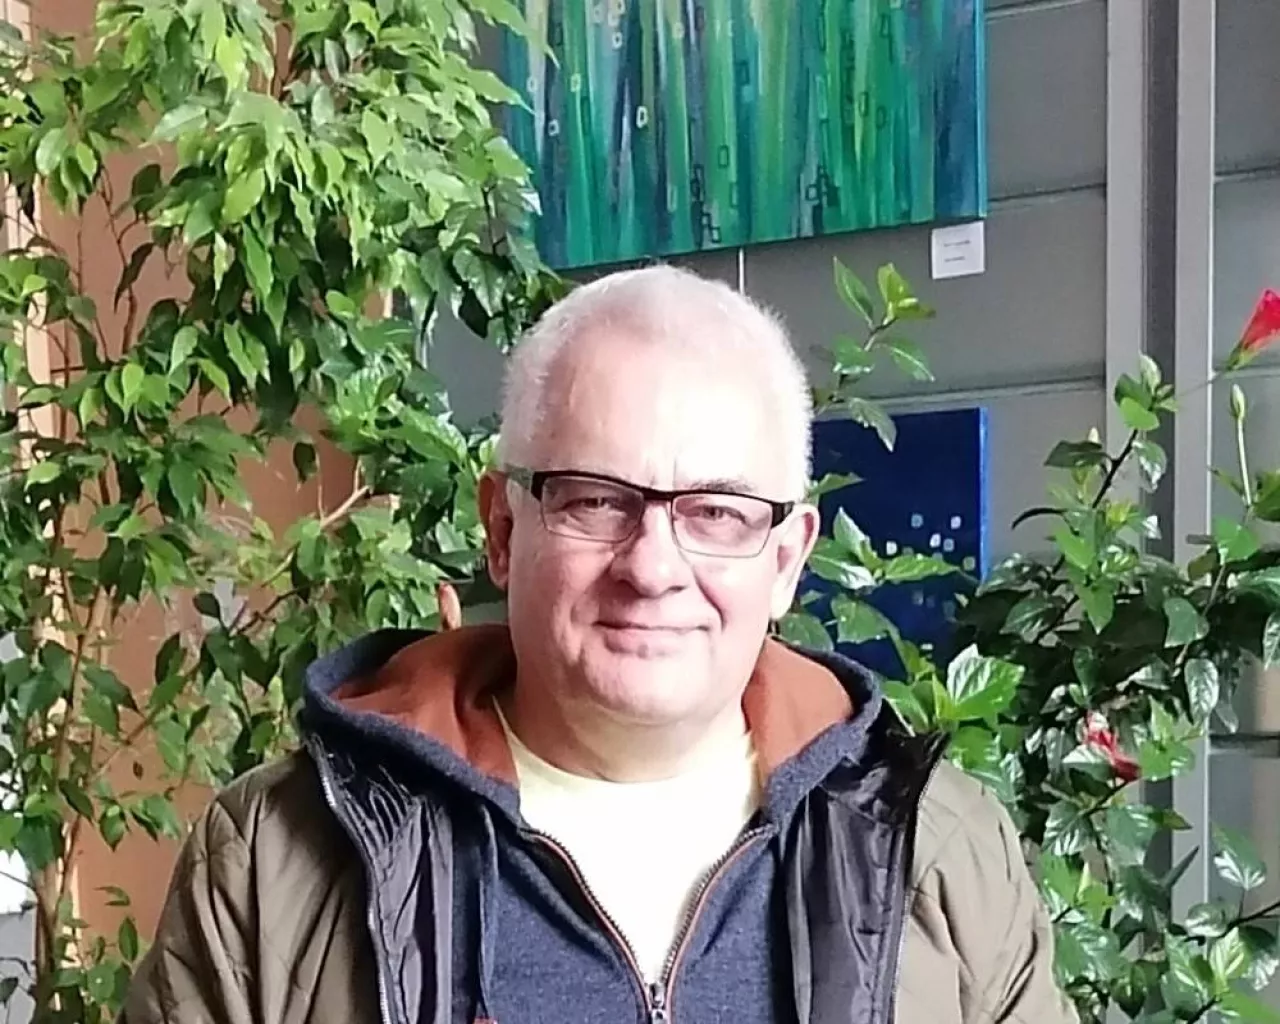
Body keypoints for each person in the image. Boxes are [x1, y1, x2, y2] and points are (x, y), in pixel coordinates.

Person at [121, 265, 1077, 1024]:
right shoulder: (275, 858)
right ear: (503, 528)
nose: (652, 567)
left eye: (717, 512)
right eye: (596, 500)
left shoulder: (940, 854)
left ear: (786, 559)